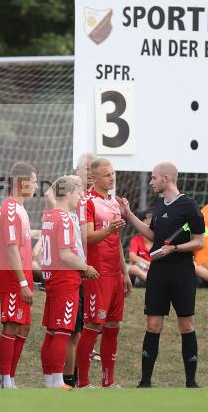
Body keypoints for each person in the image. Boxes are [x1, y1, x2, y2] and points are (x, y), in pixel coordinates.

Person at [120, 162, 205, 388]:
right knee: (153, 325)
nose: (151, 181)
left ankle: (191, 382)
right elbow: (152, 234)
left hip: (182, 271)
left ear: (166, 179)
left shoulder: (189, 205)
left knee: (186, 325)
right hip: (158, 271)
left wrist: (174, 249)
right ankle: (145, 382)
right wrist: (129, 216)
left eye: (154, 178)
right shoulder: (158, 205)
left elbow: (199, 241)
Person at [76, 158, 132, 389]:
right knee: (93, 325)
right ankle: (83, 382)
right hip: (96, 273)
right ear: (94, 178)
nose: (112, 177)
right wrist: (108, 230)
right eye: (107, 174)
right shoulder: (87, 202)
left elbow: (116, 241)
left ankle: (108, 381)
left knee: (113, 327)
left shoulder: (113, 202)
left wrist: (125, 273)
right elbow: (85, 237)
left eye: (113, 173)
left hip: (114, 274)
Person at [39, 175, 98, 388]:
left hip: (53, 280)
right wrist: (86, 267)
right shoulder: (63, 218)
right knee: (63, 331)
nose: (81, 197)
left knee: (52, 332)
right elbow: (65, 254)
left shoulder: (49, 216)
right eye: (80, 193)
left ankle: (50, 381)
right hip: (65, 280)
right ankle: (57, 381)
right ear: (69, 193)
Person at [0, 161, 38, 389]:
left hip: (23, 276)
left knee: (23, 327)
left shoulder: (20, 209)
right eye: (34, 180)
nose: (36, 185)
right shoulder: (10, 209)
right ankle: (5, 379)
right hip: (12, 277)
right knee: (11, 325)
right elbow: (11, 248)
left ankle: (11, 377)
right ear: (22, 182)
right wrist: (22, 282)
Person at [127, 212, 153, 287]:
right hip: (141, 274)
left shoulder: (159, 240)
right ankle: (153, 282)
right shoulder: (136, 240)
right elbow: (132, 257)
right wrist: (149, 264)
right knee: (133, 268)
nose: (150, 227)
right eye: (148, 225)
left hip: (154, 271)